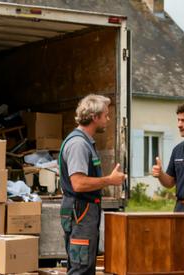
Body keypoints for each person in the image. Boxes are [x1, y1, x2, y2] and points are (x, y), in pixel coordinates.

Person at [58, 94, 126, 274]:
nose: (108, 119)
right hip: (80, 210)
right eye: (105, 115)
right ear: (94, 117)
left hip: (84, 210)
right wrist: (109, 180)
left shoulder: (86, 142)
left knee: (84, 264)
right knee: (81, 268)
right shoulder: (79, 144)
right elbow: (78, 184)